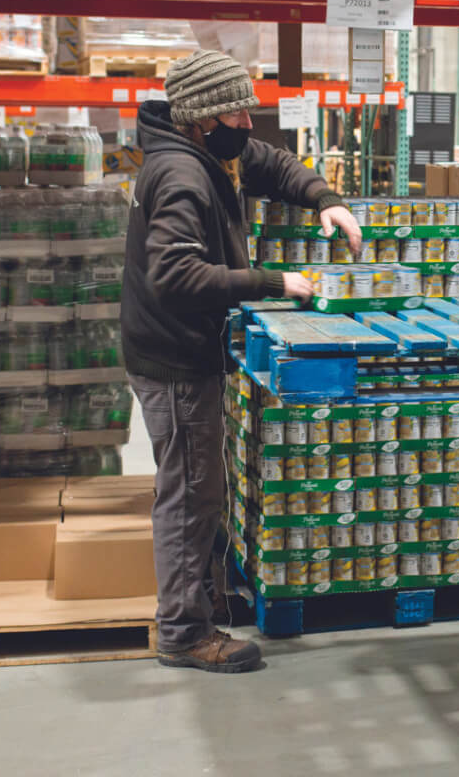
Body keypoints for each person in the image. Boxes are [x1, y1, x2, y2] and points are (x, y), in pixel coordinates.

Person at [121, 50, 361, 673]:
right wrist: (273, 282)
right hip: (173, 358)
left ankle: (199, 601)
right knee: (190, 492)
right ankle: (182, 632)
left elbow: (270, 163)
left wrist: (323, 197)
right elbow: (174, 273)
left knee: (204, 484)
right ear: (202, 118)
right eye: (237, 112)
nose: (248, 124)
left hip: (184, 348)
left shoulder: (207, 152)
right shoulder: (181, 175)